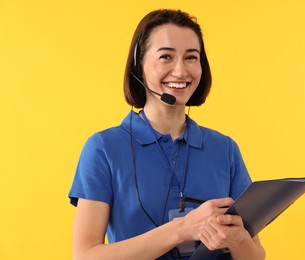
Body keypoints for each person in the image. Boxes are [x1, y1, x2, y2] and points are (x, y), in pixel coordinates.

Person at [68, 9, 266, 260]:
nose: (181, 71)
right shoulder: (103, 148)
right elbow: (85, 256)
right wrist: (183, 229)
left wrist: (237, 241)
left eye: (191, 58)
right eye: (166, 57)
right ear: (140, 64)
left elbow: (255, 256)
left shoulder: (225, 149)